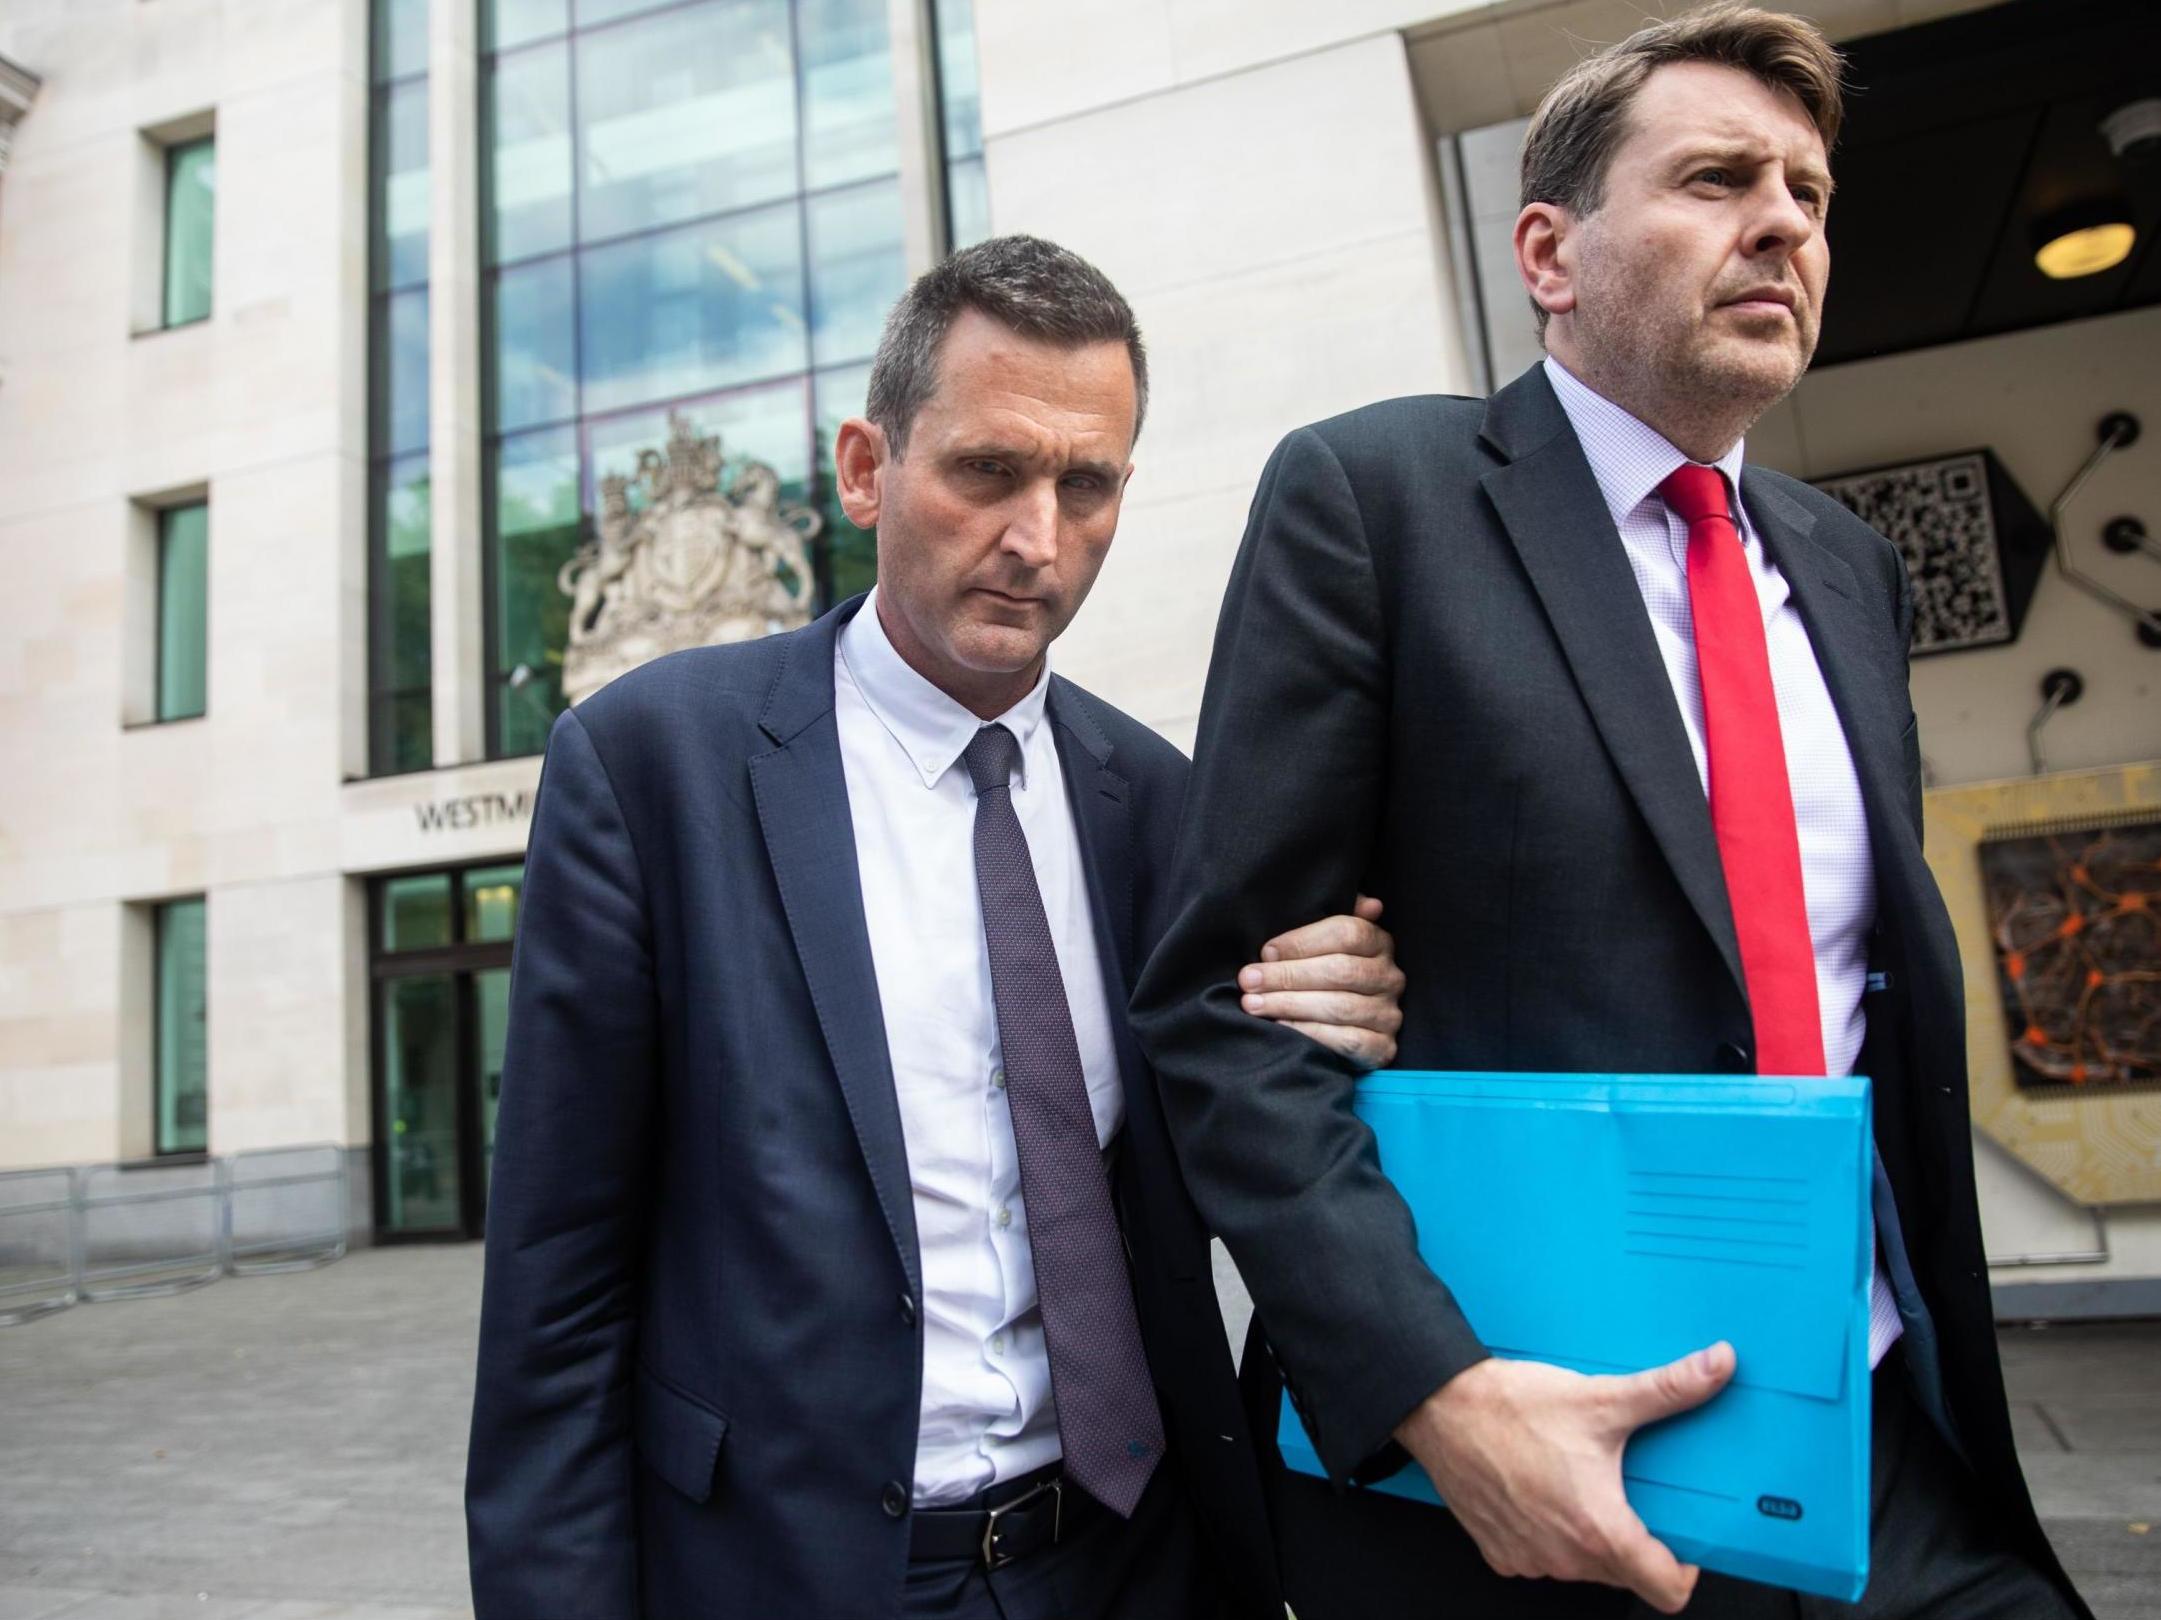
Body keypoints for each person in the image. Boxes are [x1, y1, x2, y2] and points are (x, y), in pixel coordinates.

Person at [1131, 7, 2091, 1618]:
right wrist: (1438, 1396)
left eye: (1807, 189)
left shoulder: (1844, 571)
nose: (1782, 218)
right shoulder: (1376, 502)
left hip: (1878, 1438)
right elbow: (1219, 1021)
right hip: (1528, 1474)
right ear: (1548, 253)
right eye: (1716, 177)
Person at [464, 234, 1407, 1620]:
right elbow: (558, 1285)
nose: (1036, 538)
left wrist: (1335, 1021)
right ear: (865, 469)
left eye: (1084, 485)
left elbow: (1212, 1166)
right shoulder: (652, 767)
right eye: (987, 470)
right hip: (791, 1575)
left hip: (1135, 1568)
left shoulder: (1163, 805)